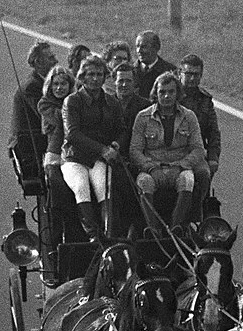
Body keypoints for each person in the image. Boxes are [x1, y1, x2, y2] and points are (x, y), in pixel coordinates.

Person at [130, 71, 205, 236]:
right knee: (143, 182)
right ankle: (153, 229)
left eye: (171, 92)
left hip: (179, 167)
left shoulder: (189, 117)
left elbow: (198, 148)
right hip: (153, 167)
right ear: (155, 94)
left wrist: (183, 165)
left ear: (178, 93)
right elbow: (135, 150)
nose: (166, 96)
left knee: (188, 180)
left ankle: (176, 227)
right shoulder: (143, 117)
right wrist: (149, 167)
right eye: (162, 92)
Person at [61, 55, 124, 242]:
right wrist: (102, 149)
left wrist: (116, 145)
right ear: (82, 77)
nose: (95, 79)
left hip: (100, 159)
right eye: (91, 74)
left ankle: (109, 235)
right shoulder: (72, 101)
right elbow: (72, 134)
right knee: (81, 187)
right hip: (75, 158)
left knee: (104, 189)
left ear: (105, 77)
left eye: (99, 74)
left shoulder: (112, 102)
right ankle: (93, 236)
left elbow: (122, 129)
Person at [36, 65, 85, 285]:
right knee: (57, 186)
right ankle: (56, 243)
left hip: (74, 155)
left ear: (70, 85)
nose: (59, 87)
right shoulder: (46, 104)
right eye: (55, 84)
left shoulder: (76, 102)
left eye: (63, 84)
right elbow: (65, 122)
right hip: (55, 154)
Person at [7, 41, 59, 197]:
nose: (56, 60)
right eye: (51, 58)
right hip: (30, 150)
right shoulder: (32, 86)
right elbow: (48, 117)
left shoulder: (45, 83)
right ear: (38, 62)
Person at [177, 53, 220, 220]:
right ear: (180, 73)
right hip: (170, 151)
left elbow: (214, 133)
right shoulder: (170, 93)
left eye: (196, 75)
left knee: (203, 174)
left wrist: (213, 158)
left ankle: (196, 217)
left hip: (196, 154)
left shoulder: (205, 100)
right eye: (188, 74)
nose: (192, 79)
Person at [112, 63, 151, 237]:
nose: (124, 85)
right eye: (121, 80)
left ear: (135, 84)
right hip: (115, 159)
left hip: (140, 158)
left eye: (128, 81)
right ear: (114, 82)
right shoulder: (107, 103)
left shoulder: (146, 107)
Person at [133, 30, 175, 99]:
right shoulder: (130, 71)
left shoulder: (169, 71)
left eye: (144, 47)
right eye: (137, 46)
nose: (139, 51)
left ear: (156, 47)